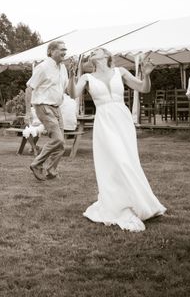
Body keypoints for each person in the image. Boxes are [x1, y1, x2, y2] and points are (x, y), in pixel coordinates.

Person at [69, 48, 166, 232]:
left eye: (98, 50)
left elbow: (143, 88)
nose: (93, 52)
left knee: (128, 160)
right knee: (117, 161)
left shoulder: (120, 72)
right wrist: (72, 75)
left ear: (106, 56)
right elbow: (73, 93)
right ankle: (118, 203)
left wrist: (146, 75)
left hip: (122, 119)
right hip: (104, 121)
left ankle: (137, 201)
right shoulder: (87, 78)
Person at [26, 40, 70, 181]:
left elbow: (64, 89)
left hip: (57, 108)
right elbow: (29, 88)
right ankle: (37, 164)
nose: (65, 52)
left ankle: (51, 170)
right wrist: (28, 112)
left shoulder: (63, 68)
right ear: (51, 51)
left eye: (65, 49)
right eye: (61, 49)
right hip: (43, 106)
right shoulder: (43, 67)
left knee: (61, 143)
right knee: (57, 139)